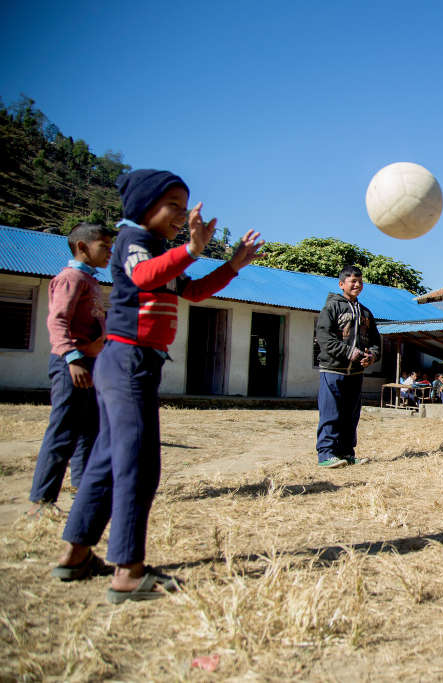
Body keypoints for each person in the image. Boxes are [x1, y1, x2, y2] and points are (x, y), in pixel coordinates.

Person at [55, 169, 263, 601]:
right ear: (142, 207)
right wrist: (190, 248)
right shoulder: (134, 241)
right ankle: (128, 571)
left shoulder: (156, 250)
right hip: (127, 360)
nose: (180, 216)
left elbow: (191, 292)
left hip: (136, 363)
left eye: (184, 209)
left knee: (106, 460)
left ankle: (75, 554)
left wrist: (231, 265)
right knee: (139, 464)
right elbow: (146, 276)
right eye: (173, 206)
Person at [27, 223, 115, 517]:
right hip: (71, 364)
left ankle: (85, 489)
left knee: (89, 428)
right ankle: (42, 501)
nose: (110, 252)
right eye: (104, 246)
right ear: (81, 247)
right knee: (63, 430)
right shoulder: (70, 279)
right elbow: (57, 321)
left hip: (89, 363)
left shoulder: (89, 281)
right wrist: (73, 359)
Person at [315, 265, 381, 467]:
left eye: (360, 281)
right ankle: (326, 454)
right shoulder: (332, 307)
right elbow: (324, 338)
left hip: (356, 373)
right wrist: (348, 352)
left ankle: (346, 453)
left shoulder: (366, 313)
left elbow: (375, 342)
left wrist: (372, 356)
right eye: (353, 281)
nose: (357, 284)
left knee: (351, 414)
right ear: (341, 284)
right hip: (333, 370)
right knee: (331, 412)